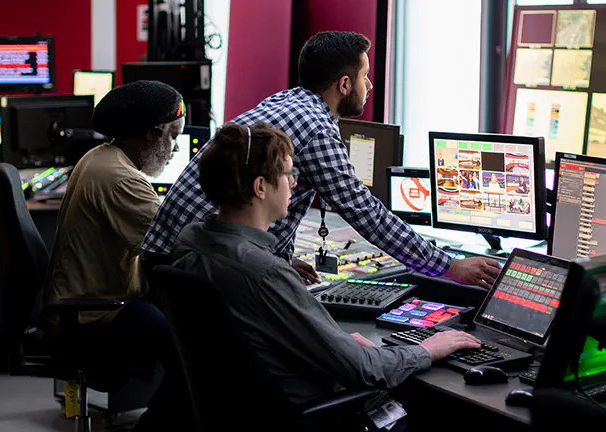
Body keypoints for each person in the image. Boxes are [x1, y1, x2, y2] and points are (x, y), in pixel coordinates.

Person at [143, 31, 500, 289]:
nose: (370, 85)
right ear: (344, 85)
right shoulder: (315, 128)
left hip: (173, 261)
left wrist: (279, 262)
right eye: (364, 76)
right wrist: (449, 266)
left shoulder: (285, 102)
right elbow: (365, 212)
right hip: (206, 270)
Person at [171, 122, 481, 412]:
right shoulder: (265, 272)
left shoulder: (192, 240)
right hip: (314, 411)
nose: (294, 183)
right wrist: (427, 349)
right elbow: (364, 370)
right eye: (288, 174)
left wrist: (340, 345)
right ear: (260, 187)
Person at [40, 80, 194, 431]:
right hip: (92, 319)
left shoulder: (101, 158)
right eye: (173, 135)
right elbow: (179, 239)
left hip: (82, 309)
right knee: (196, 350)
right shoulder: (120, 179)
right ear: (151, 134)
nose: (174, 147)